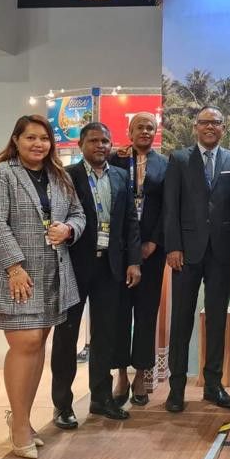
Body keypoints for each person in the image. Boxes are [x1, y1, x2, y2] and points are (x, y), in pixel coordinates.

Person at [0, 115, 85, 459]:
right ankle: (19, 425)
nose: (38, 144)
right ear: (16, 140)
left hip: (54, 271)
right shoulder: (0, 173)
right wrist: (13, 266)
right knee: (25, 343)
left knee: (38, 345)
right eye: (30, 138)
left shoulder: (59, 175)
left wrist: (68, 229)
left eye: (44, 138)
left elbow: (79, 214)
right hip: (18, 273)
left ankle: (22, 419)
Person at [51, 122, 141, 427]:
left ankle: (101, 399)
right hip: (75, 265)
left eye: (105, 141)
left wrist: (133, 261)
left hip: (110, 267)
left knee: (105, 335)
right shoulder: (66, 176)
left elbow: (130, 222)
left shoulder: (120, 176)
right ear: (81, 144)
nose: (100, 146)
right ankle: (63, 405)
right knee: (67, 336)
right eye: (93, 140)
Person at [163, 105, 230, 412]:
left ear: (223, 127)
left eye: (216, 122)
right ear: (195, 127)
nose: (210, 127)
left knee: (216, 318)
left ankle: (213, 385)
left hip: (221, 251)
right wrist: (173, 246)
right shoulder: (179, 159)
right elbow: (170, 206)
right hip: (185, 252)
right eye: (204, 122)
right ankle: (176, 388)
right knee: (181, 320)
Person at [110, 112, 168, 405]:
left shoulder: (165, 164)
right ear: (129, 131)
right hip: (119, 249)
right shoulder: (116, 160)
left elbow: (169, 206)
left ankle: (141, 375)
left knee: (146, 314)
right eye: (139, 127)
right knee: (120, 313)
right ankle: (121, 373)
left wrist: (154, 241)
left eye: (150, 127)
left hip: (152, 251)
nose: (145, 131)